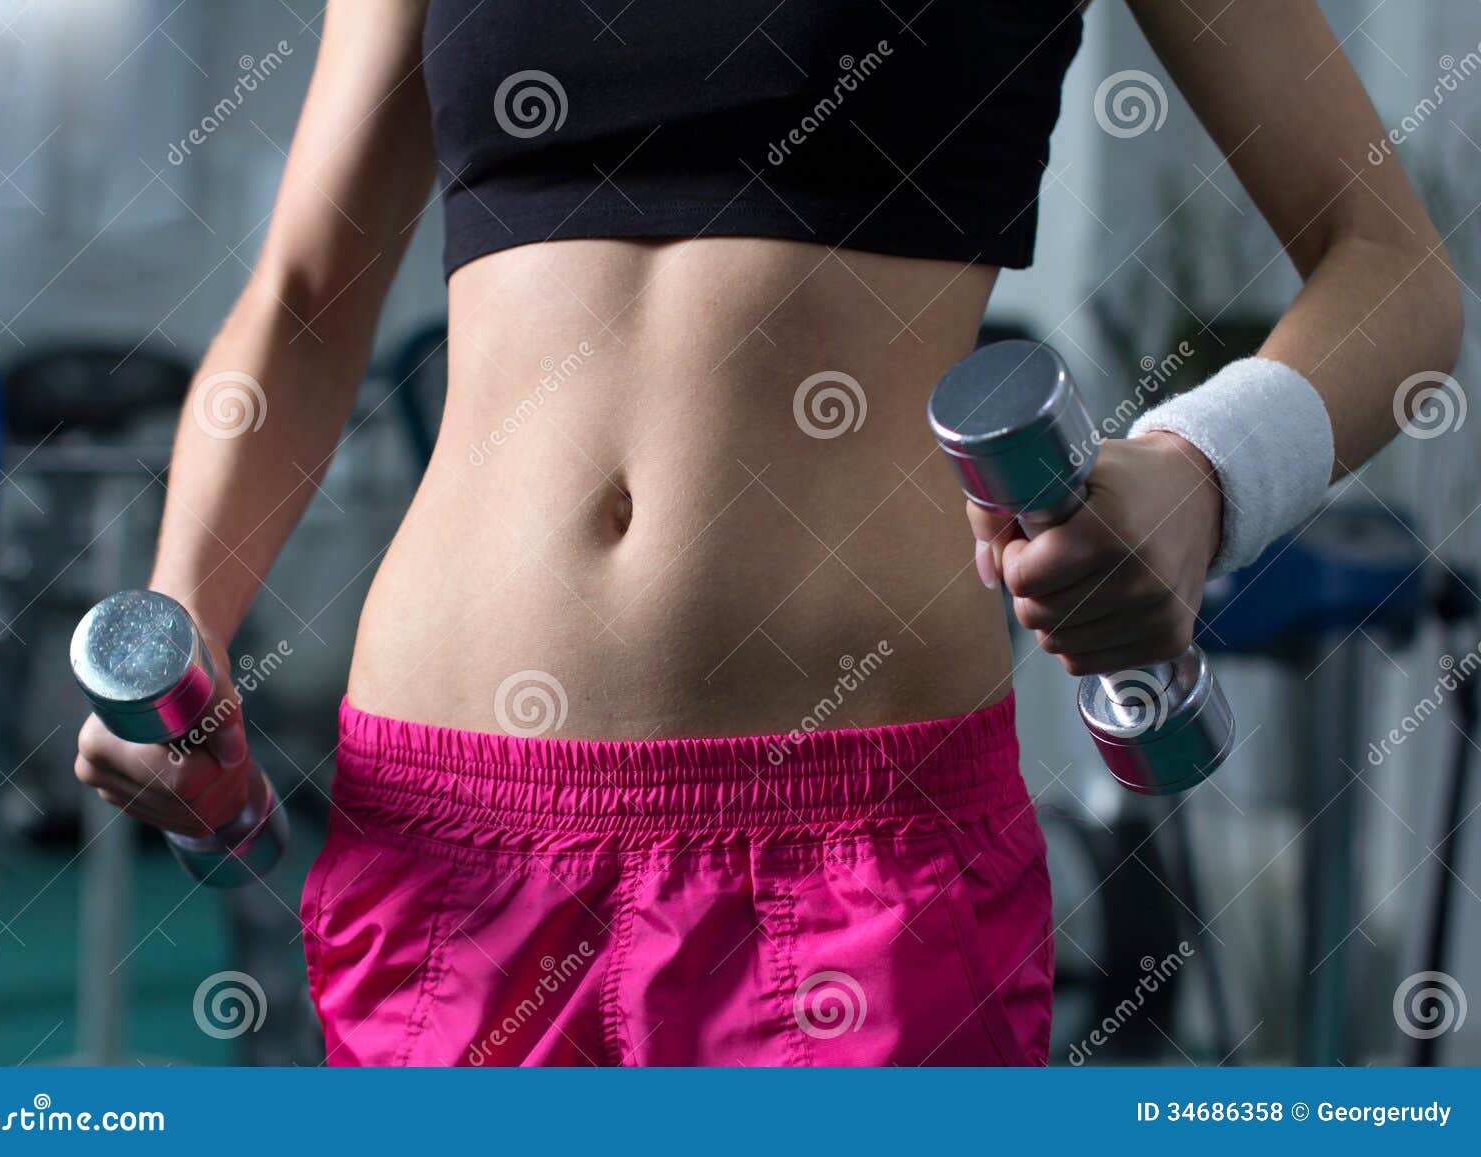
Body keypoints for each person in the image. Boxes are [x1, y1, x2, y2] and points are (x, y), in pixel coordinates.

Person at [73, 0, 1461, 1065]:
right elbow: (308, 292)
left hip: (851, 850)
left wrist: (1199, 473)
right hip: (446, 845)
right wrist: (177, 608)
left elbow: (1394, 274)